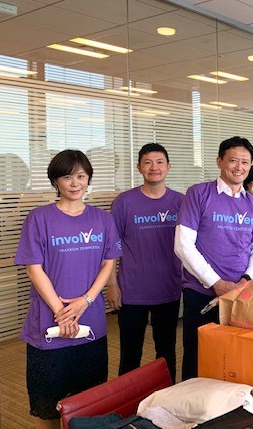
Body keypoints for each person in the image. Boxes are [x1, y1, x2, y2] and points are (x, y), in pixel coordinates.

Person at [14, 150, 122, 429]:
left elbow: (109, 263)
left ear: (88, 180)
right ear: (56, 181)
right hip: (49, 324)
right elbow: (33, 268)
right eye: (67, 176)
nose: (75, 183)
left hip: (91, 323)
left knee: (89, 402)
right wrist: (61, 311)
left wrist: (85, 301)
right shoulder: (38, 219)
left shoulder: (102, 219)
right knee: (48, 407)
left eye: (81, 176)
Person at [174, 136, 253, 380]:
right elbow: (183, 245)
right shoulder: (199, 194)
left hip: (239, 295)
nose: (239, 167)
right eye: (233, 160)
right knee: (196, 356)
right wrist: (215, 282)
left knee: (233, 357)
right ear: (219, 161)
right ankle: (192, 412)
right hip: (201, 292)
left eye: (245, 162)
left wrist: (246, 279)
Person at [108, 143, 184, 382]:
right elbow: (111, 248)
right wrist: (112, 285)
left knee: (167, 353)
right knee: (130, 354)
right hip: (132, 291)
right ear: (139, 167)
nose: (154, 167)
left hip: (168, 289)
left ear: (168, 167)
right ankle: (126, 407)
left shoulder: (181, 202)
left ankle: (168, 401)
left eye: (160, 162)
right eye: (148, 162)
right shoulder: (124, 202)